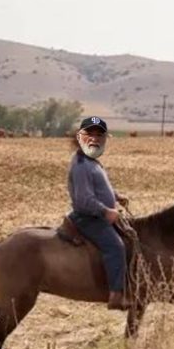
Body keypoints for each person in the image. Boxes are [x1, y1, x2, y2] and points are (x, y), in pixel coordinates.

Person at [68, 116, 130, 310]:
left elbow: (98, 188)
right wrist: (106, 211)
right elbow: (84, 200)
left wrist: (116, 196)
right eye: (90, 135)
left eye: (99, 136)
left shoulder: (92, 161)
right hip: (89, 218)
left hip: (98, 215)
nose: (95, 139)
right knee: (116, 247)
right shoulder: (81, 165)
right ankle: (116, 294)